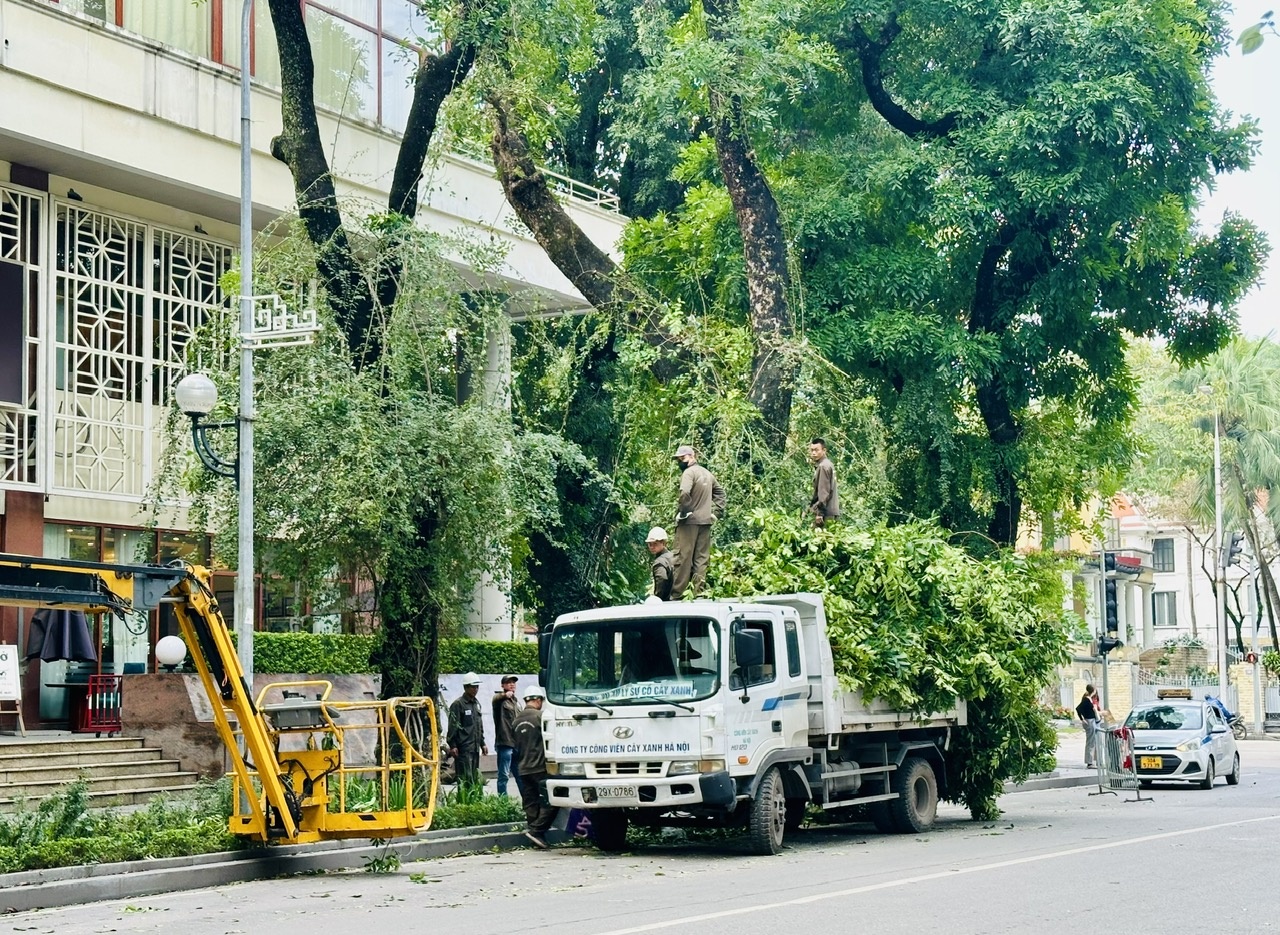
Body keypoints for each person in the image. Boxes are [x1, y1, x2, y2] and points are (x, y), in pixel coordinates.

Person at [670, 445, 726, 600]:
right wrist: (716, 513)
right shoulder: (707, 473)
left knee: (683, 557)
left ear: (692, 456)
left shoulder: (689, 473)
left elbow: (684, 493)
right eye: (679, 459)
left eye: (683, 458)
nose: (680, 462)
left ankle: (678, 596)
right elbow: (721, 494)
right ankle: (698, 594)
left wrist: (683, 513)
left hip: (689, 523)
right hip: (705, 523)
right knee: (701, 559)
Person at [513, 685, 560, 849]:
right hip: (540, 768)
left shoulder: (516, 720)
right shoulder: (541, 717)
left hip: (523, 768)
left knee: (530, 802)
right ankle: (537, 831)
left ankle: (535, 836)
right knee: (552, 801)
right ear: (538, 700)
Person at [447, 673, 488, 787]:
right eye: (473, 687)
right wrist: (453, 745)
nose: (476, 689)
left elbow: (479, 725)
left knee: (474, 778)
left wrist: (482, 743)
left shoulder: (476, 704)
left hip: (474, 747)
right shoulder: (458, 704)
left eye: (477, 687)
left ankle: (474, 803)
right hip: (463, 748)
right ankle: (464, 803)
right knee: (465, 778)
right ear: (465, 687)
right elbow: (453, 726)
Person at [491, 675, 523, 797]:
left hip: (516, 744)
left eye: (513, 682)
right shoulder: (500, 701)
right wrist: (505, 695)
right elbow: (495, 698)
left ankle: (527, 803)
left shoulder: (516, 702)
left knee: (519, 775)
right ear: (503, 685)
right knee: (503, 775)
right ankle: (503, 803)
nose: (512, 684)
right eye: (508, 682)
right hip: (505, 743)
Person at [807, 437, 840, 527]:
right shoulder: (828, 464)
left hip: (826, 514)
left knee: (819, 539)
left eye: (816, 450)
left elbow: (824, 492)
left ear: (824, 450)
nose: (813, 453)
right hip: (832, 512)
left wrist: (819, 514)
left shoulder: (823, 466)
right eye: (812, 450)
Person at [646, 526, 676, 600]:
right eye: (650, 544)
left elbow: (661, 581)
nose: (652, 547)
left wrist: (658, 600)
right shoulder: (673, 557)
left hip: (667, 603)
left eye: (655, 544)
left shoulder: (659, 562)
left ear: (663, 543)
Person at [1076, 684, 1099, 769]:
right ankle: (1090, 762)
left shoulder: (1089, 699)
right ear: (1093, 691)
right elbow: (1078, 709)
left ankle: (1094, 760)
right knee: (1091, 742)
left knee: (1094, 741)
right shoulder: (1086, 700)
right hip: (1089, 721)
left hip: (1092, 720)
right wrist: (1082, 719)